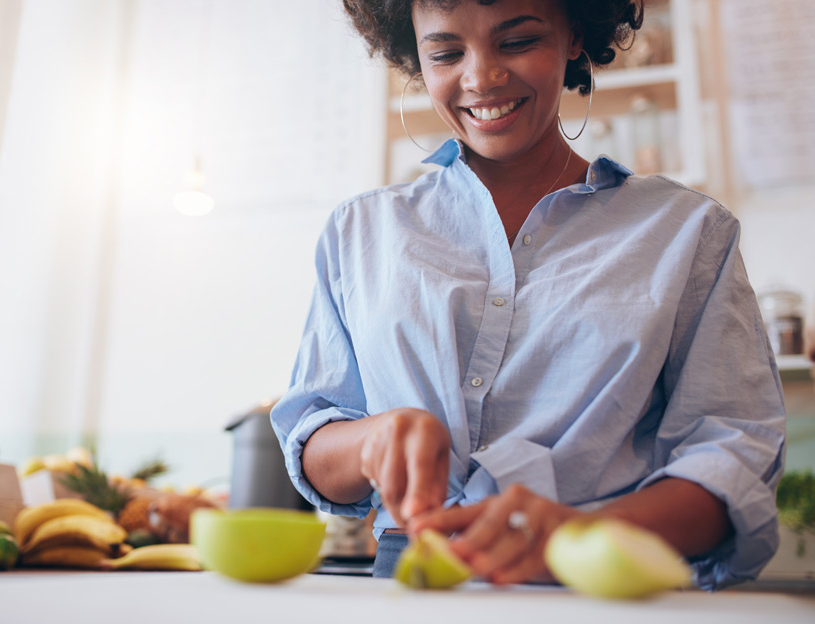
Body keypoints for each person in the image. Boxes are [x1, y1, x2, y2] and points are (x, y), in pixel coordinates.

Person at [270, 0, 785, 591]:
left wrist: (575, 535)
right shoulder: (360, 232)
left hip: (603, 584)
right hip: (409, 587)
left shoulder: (686, 231)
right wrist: (370, 441)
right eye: (445, 53)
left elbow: (733, 460)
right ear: (416, 57)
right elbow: (312, 435)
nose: (481, 77)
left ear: (573, 37)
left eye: (517, 42)